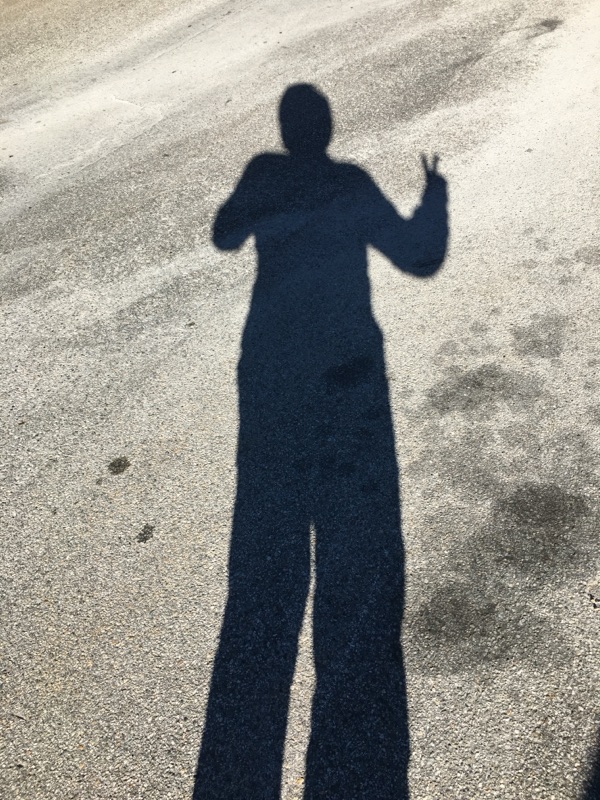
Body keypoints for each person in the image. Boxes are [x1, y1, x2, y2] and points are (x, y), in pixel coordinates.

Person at [194, 83, 448, 799]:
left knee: (268, 534)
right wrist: (435, 198)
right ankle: (354, 711)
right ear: (328, 129)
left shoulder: (264, 174)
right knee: (356, 541)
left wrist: (260, 203)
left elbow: (223, 234)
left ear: (286, 129)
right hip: (346, 376)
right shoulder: (352, 184)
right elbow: (417, 256)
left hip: (274, 373)